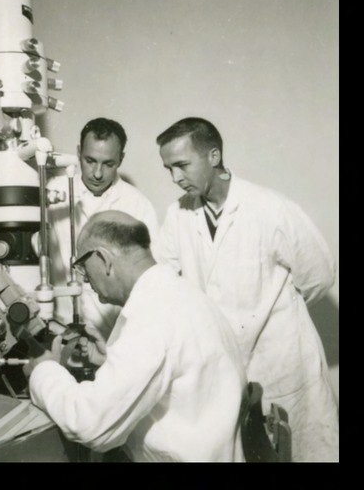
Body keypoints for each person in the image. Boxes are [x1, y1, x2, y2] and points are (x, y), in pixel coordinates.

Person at [154, 116, 339, 462]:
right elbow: (163, 280)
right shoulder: (178, 215)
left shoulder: (269, 208)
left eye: (181, 165)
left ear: (213, 156)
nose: (176, 178)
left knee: (302, 451)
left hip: (283, 363)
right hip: (225, 367)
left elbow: (319, 275)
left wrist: (276, 314)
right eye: (168, 169)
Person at [24, 210, 247, 462]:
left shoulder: (153, 315)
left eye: (84, 269)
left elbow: (88, 424)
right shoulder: (183, 295)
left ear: (104, 259)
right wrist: (109, 362)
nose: (86, 281)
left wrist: (44, 370)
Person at [47, 117, 159, 340]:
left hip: (115, 335)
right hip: (59, 327)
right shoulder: (52, 192)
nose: (97, 173)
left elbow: (151, 279)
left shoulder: (137, 204)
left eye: (108, 164)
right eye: (90, 161)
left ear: (121, 159)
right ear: (79, 152)